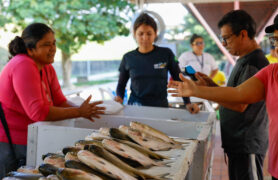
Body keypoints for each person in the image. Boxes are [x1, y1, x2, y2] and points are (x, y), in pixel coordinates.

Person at [168, 9, 278, 180]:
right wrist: (199, 90)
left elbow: (240, 104)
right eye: (276, 40)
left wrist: (199, 91)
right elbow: (239, 94)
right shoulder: (271, 72)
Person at [0, 23, 105, 178]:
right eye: (46, 44)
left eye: (54, 43)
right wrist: (78, 112)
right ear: (30, 49)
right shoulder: (23, 64)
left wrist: (83, 111)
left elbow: (60, 101)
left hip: (33, 138)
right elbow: (39, 112)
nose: (53, 48)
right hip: (11, 142)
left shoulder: (47, 67)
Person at [178, 10, 270, 180]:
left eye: (227, 38)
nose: (224, 43)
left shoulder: (254, 62)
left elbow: (240, 103)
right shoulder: (244, 60)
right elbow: (234, 93)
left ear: (243, 34)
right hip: (238, 144)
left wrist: (199, 91)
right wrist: (211, 85)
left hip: (247, 144)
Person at [115, 13, 199, 113]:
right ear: (134, 34)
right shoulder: (128, 57)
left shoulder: (166, 53)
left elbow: (178, 78)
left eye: (149, 33)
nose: (145, 38)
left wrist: (188, 103)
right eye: (141, 33)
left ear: (155, 34)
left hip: (161, 109)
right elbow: (121, 84)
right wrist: (119, 97)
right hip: (135, 109)